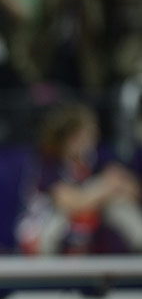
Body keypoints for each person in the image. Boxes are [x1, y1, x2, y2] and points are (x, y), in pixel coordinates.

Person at [16, 103, 142, 254]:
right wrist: (107, 187)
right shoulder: (48, 162)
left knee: (120, 203)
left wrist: (113, 187)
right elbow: (72, 202)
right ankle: (44, 272)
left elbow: (132, 189)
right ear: (70, 137)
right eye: (86, 133)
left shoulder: (95, 158)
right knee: (58, 217)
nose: (92, 137)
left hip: (84, 223)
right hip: (43, 227)